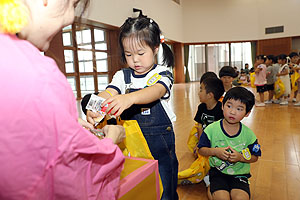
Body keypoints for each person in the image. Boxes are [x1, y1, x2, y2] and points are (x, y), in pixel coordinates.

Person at [0, 0, 126, 199]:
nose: (69, 17)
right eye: (72, 4)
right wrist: (111, 140)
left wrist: (64, 122)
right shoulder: (40, 78)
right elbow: (76, 180)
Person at [82, 16, 178, 200]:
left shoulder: (163, 73)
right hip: (132, 140)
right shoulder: (122, 75)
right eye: (128, 54)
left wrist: (130, 98)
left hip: (159, 141)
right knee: (139, 179)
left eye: (141, 53)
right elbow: (109, 92)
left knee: (166, 184)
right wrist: (95, 105)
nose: (135, 60)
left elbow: (156, 91)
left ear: (155, 48)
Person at [198, 87, 261, 200]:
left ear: (247, 113)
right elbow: (201, 149)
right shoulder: (211, 130)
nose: (232, 112)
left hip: (240, 174)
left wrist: (240, 157)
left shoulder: (249, 135)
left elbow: (255, 157)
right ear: (222, 106)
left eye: (239, 109)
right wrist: (215, 151)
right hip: (218, 172)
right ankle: (209, 183)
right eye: (229, 106)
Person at [194, 76, 224, 200]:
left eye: (201, 89)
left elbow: (222, 133)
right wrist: (200, 144)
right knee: (199, 155)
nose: (198, 92)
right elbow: (199, 126)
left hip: (217, 143)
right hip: (206, 141)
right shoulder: (201, 107)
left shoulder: (220, 109)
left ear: (210, 95)